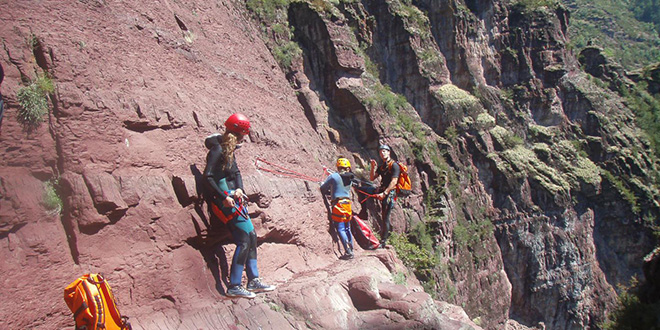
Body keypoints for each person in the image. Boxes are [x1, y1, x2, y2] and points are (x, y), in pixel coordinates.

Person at [203, 113, 275, 299]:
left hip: (233, 199)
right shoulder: (217, 150)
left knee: (251, 236)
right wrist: (222, 197)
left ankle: (253, 280)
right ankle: (234, 285)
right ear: (239, 133)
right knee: (244, 240)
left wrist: (239, 190)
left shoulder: (229, 150)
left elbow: (236, 174)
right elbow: (208, 177)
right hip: (223, 202)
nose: (244, 138)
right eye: (243, 134)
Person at [320, 157, 355, 260]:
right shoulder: (350, 179)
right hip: (348, 205)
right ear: (348, 168)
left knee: (340, 229)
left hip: (338, 205)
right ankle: (351, 249)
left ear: (338, 167)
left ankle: (348, 252)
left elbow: (323, 188)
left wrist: (322, 185)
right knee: (347, 228)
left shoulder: (334, 176)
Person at [368, 144, 400, 249]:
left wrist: (385, 193)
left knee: (385, 217)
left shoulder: (394, 165)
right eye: (381, 152)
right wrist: (373, 167)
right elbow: (372, 178)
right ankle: (383, 239)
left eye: (384, 151)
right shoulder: (382, 166)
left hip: (389, 194)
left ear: (389, 152)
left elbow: (394, 181)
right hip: (383, 191)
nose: (382, 153)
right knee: (383, 215)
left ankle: (383, 241)